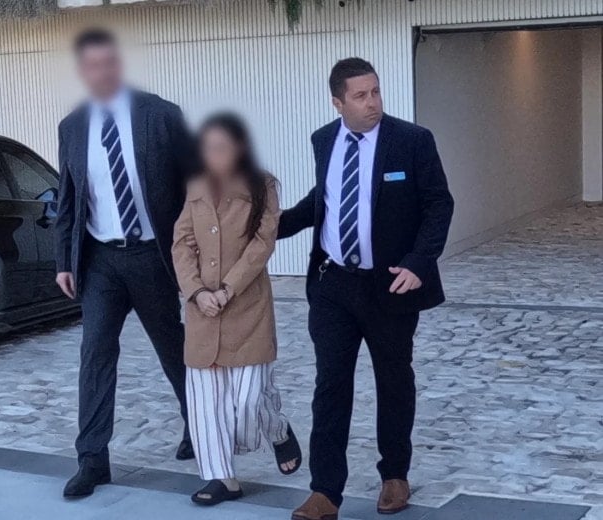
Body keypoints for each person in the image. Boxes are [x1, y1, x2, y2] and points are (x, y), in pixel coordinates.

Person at [278, 58, 454, 519]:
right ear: (338, 102)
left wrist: (419, 262)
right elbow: (325, 198)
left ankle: (395, 475)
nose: (372, 102)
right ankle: (325, 492)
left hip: (390, 284)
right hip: (333, 285)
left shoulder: (411, 141)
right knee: (330, 386)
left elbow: (439, 204)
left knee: (393, 382)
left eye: (375, 91)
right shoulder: (323, 140)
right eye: (360, 95)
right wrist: (272, 226)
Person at [54, 28, 195, 499]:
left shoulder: (161, 115)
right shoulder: (72, 127)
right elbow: (69, 200)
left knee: (173, 348)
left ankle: (199, 425)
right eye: (94, 66)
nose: (104, 72)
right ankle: (92, 460)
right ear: (83, 71)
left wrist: (194, 255)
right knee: (94, 353)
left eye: (110, 63)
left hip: (152, 256)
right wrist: (64, 260)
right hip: (100, 261)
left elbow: (193, 187)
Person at [171, 113, 302, 506]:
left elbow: (263, 244)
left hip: (247, 306)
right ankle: (222, 478)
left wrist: (228, 288)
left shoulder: (263, 186)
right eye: (208, 148)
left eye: (222, 147)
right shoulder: (195, 186)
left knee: (248, 399)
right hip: (202, 311)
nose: (214, 156)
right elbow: (182, 243)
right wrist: (196, 291)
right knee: (206, 401)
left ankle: (277, 428)